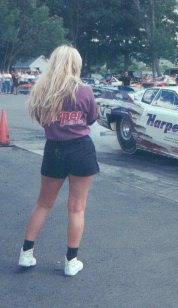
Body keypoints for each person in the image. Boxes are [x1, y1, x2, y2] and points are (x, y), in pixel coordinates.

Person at [19, 45, 99, 276]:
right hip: (80, 150)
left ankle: (26, 253)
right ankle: (71, 261)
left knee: (43, 203)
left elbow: (38, 117)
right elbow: (92, 118)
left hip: (53, 148)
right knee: (76, 208)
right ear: (76, 64)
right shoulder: (84, 91)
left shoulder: (41, 90)